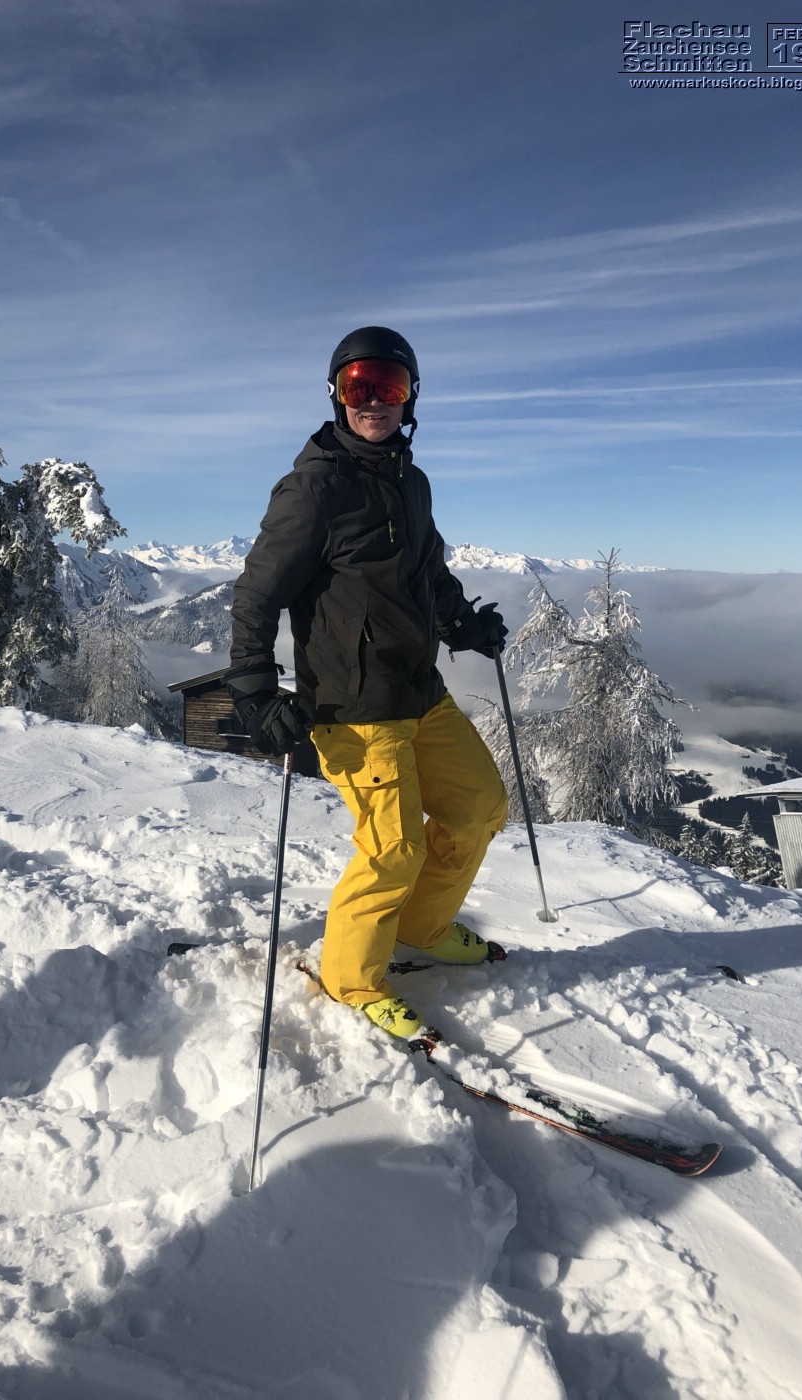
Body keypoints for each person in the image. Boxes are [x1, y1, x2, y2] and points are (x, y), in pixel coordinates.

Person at [228, 327, 509, 1037]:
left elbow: (428, 568)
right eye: (360, 385)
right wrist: (255, 688)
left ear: (411, 398)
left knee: (479, 806)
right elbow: (256, 595)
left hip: (418, 690)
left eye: (391, 385)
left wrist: (463, 624)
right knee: (393, 851)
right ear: (336, 394)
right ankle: (350, 977)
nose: (375, 400)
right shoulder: (313, 489)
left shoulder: (411, 481)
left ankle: (421, 926)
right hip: (353, 705)